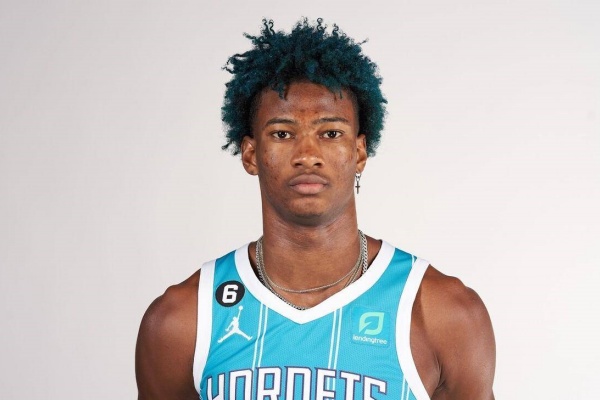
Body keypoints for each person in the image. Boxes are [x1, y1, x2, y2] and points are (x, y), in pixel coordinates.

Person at [135, 18, 495, 400]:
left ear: (359, 152)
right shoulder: (182, 320)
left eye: (330, 133)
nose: (307, 155)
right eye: (283, 133)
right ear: (251, 154)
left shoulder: (444, 314)